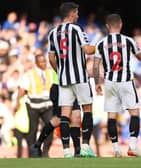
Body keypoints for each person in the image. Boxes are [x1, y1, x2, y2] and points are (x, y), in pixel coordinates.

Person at [93, 14, 141, 157]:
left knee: (111, 116)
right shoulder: (128, 40)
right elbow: (140, 57)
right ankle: (132, 146)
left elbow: (95, 65)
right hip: (126, 81)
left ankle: (116, 149)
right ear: (121, 24)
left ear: (107, 26)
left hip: (110, 82)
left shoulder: (101, 43)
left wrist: (97, 83)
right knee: (134, 113)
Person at [48, 2, 96, 157]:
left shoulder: (53, 33)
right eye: (77, 12)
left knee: (65, 114)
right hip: (80, 77)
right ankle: (86, 147)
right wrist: (100, 46)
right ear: (72, 13)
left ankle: (67, 151)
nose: (78, 15)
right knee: (87, 109)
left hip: (64, 79)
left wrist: (61, 71)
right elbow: (88, 50)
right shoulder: (77, 29)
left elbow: (51, 58)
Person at [30, 70, 82, 158]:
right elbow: (53, 61)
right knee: (59, 119)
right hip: (59, 86)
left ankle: (77, 152)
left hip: (73, 85)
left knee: (76, 117)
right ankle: (37, 145)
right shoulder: (57, 56)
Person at [15, 54, 53, 157]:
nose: (43, 64)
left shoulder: (50, 72)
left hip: (47, 104)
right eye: (41, 62)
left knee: (50, 127)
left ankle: (45, 150)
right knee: (33, 129)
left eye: (44, 61)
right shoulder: (29, 74)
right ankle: (34, 152)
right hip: (33, 105)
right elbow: (22, 89)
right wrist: (17, 101)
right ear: (36, 63)